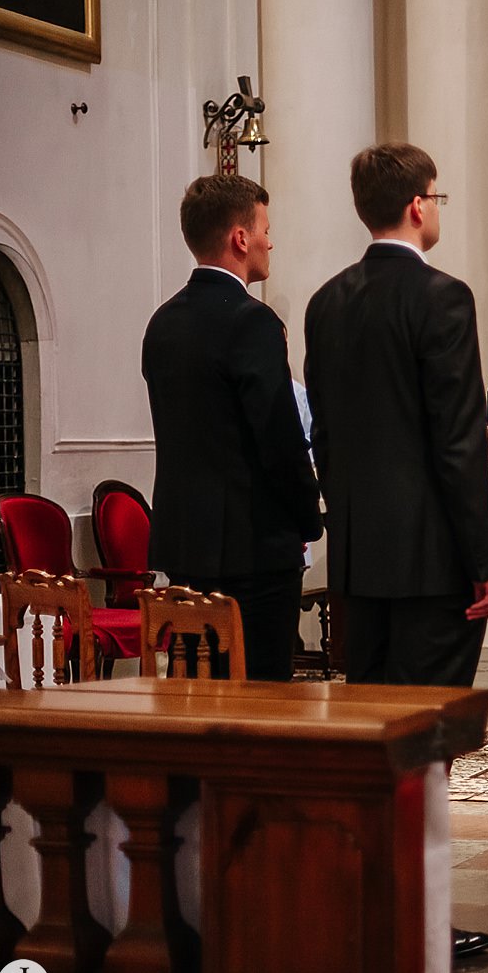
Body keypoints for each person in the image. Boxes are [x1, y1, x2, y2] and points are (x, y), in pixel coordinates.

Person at [302, 143, 488, 973]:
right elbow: (458, 444)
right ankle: (420, 921)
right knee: (421, 754)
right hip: (431, 564)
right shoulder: (442, 297)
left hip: (359, 564)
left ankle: (369, 905)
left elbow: (329, 438)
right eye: (440, 196)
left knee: (370, 750)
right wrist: (485, 558)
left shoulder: (324, 303)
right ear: (420, 206)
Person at [141, 174, 322, 681]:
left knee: (195, 694)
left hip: (184, 549)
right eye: (264, 228)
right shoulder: (252, 322)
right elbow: (280, 441)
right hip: (253, 552)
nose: (270, 240)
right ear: (240, 238)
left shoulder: (161, 324)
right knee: (258, 701)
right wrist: (307, 521)